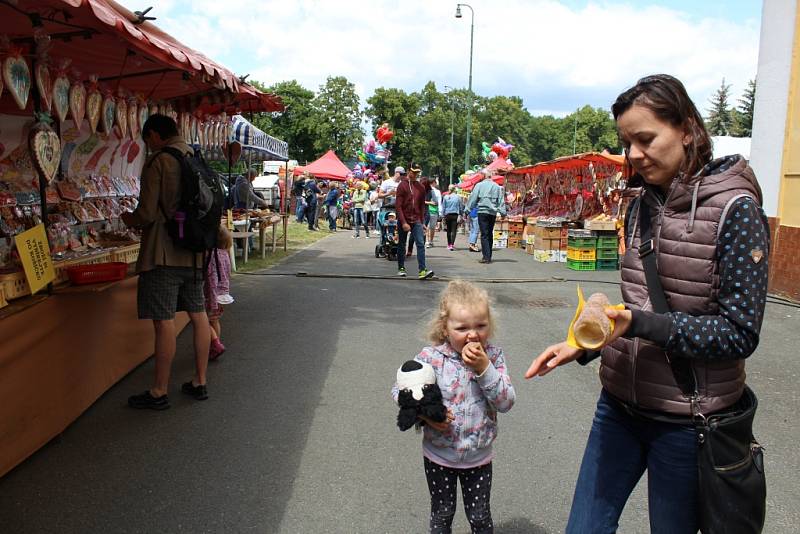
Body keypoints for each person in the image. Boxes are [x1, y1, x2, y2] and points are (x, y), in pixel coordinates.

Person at [524, 74, 770, 534]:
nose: (633, 154)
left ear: (687, 130)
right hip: (617, 406)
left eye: (645, 139)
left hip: (686, 423)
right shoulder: (640, 203)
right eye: (626, 142)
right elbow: (636, 305)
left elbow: (740, 333)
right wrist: (586, 342)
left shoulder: (737, 210)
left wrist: (638, 323)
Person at [392, 280, 515, 532]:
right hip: (439, 455)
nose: (473, 334)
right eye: (462, 328)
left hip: (479, 457)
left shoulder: (493, 357)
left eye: (481, 325)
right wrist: (426, 416)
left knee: (480, 517)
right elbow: (400, 391)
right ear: (444, 329)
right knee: (442, 514)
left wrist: (484, 369)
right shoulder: (431, 359)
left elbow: (505, 402)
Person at [120, 114, 211, 409]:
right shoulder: (195, 157)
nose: (148, 145)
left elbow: (146, 213)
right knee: (199, 316)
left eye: (148, 139)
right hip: (195, 253)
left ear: (156, 135)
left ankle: (159, 391)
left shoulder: (159, 161)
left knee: (164, 324)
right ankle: (200, 381)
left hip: (163, 253)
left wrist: (126, 219)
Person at [395, 164, 435, 279]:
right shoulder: (402, 185)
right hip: (405, 219)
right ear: (408, 171)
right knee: (402, 244)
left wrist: (422, 222)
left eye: (417, 172)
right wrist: (403, 222)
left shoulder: (420, 187)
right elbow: (398, 206)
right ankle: (401, 267)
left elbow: (422, 206)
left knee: (420, 244)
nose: (415, 174)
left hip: (416, 219)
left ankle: (422, 270)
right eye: (413, 172)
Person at [465, 171, 506, 264]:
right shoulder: (497, 187)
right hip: (492, 213)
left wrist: (467, 210)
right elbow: (501, 201)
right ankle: (489, 255)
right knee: (489, 233)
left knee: (484, 234)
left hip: (482, 212)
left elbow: (473, 198)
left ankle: (486, 257)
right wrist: (503, 213)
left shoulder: (479, 185)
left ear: (483, 176)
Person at [206, 226, 233, 361]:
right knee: (215, 320)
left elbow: (211, 277)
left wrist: (211, 297)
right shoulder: (225, 254)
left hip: (212, 294)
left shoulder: (211, 255)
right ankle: (216, 344)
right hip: (223, 294)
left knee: (204, 321)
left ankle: (215, 344)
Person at [441, 185, 464, 251]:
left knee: (448, 230)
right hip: (455, 215)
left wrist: (443, 216)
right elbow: (460, 207)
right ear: (454, 189)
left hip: (447, 215)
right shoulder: (458, 197)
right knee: (454, 230)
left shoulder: (445, 197)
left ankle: (449, 244)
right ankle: (452, 244)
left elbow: (443, 207)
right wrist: (461, 214)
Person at [425, 179, 443, 248]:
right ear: (434, 183)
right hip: (434, 211)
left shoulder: (426, 190)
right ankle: (430, 241)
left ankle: (427, 241)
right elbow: (439, 203)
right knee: (432, 227)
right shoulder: (437, 191)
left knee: (427, 226)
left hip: (427, 210)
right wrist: (440, 213)